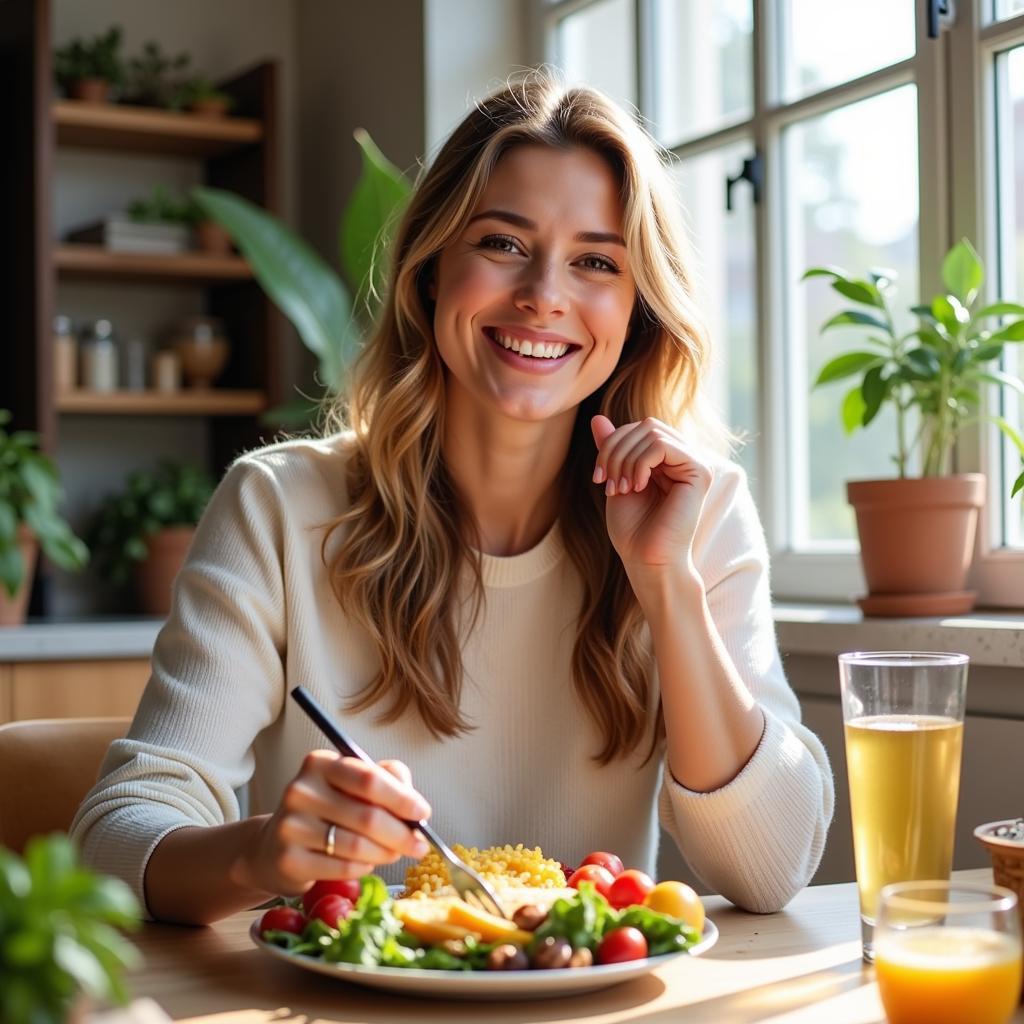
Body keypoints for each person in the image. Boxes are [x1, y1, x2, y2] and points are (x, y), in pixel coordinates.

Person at [71, 71, 834, 926]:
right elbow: (112, 841)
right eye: (504, 243)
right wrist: (258, 854)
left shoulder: (695, 512)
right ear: (431, 272)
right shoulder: (279, 508)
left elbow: (772, 865)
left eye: (595, 261)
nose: (545, 293)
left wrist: (666, 585)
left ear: (637, 309)